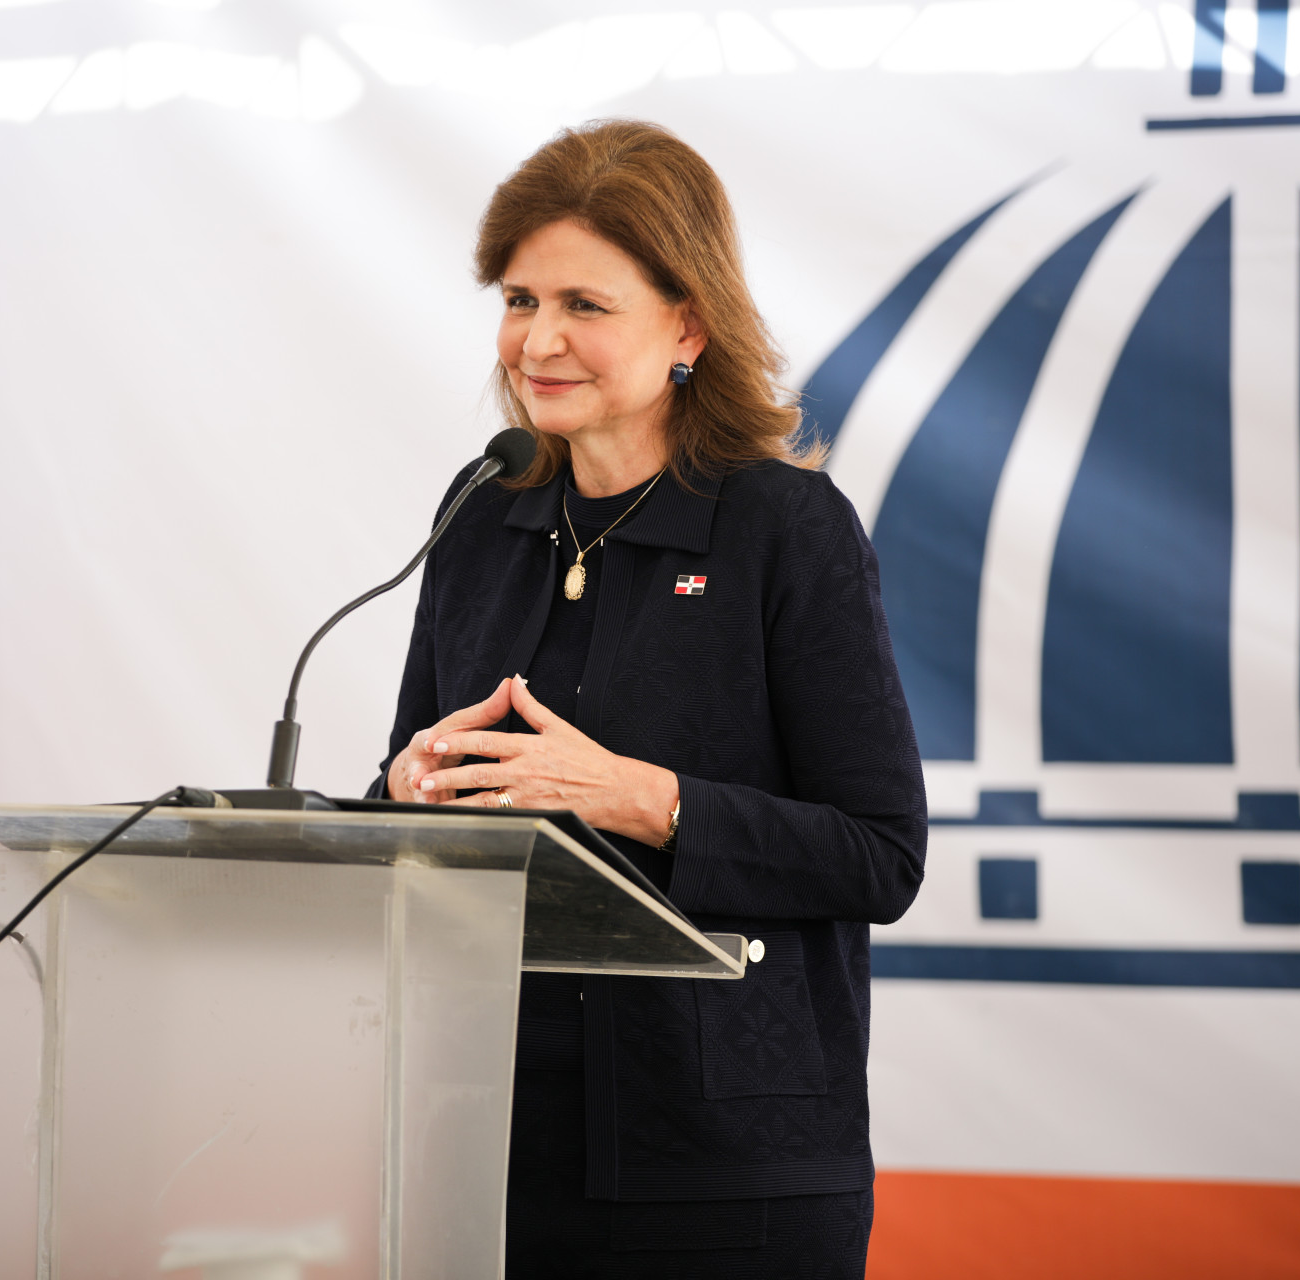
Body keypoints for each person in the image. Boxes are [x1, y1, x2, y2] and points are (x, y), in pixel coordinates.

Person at [368, 120, 928, 1276]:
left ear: (689, 325)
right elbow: (411, 797)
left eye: (584, 303)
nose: (538, 340)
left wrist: (644, 799)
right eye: (520, 300)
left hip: (724, 1168)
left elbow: (880, 854)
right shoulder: (484, 512)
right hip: (484, 1141)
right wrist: (401, 793)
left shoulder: (784, 528)